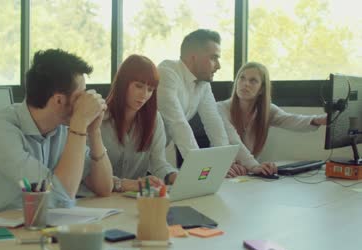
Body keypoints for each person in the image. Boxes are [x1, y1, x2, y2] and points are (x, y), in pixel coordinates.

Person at [0, 49, 113, 220]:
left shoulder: (61, 129)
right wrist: (80, 122)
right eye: (81, 95)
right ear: (59, 100)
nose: (87, 101)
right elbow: (58, 197)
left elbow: (104, 187)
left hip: (24, 229)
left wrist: (94, 131)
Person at [217, 62, 327, 177]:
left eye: (253, 81)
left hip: (246, 174)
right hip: (222, 169)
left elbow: (290, 119)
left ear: (261, 89)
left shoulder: (267, 110)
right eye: (242, 78)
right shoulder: (220, 108)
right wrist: (254, 166)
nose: (245, 84)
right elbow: (233, 141)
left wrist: (319, 120)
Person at [157, 29, 230, 183]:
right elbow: (178, 124)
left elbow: (214, 123)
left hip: (155, 157)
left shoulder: (202, 84)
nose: (218, 66)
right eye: (213, 58)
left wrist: (225, 164)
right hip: (129, 154)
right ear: (193, 57)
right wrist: (200, 170)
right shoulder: (167, 72)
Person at [102, 54, 178, 192]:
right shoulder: (98, 119)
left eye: (150, 89)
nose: (144, 95)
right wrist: (124, 184)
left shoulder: (154, 119)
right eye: (139, 86)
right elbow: (86, 170)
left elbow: (158, 163)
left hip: (133, 199)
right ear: (123, 84)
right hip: (93, 199)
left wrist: (173, 176)